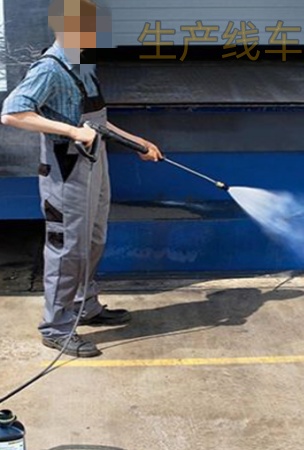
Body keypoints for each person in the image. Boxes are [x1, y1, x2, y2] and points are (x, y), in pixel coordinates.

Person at [0, 0, 163, 357]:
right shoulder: (50, 68)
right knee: (67, 248)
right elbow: (12, 113)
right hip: (66, 169)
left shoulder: (84, 63)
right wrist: (72, 132)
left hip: (94, 162)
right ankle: (56, 327)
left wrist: (136, 142)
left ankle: (85, 306)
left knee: (94, 238)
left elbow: (96, 120)